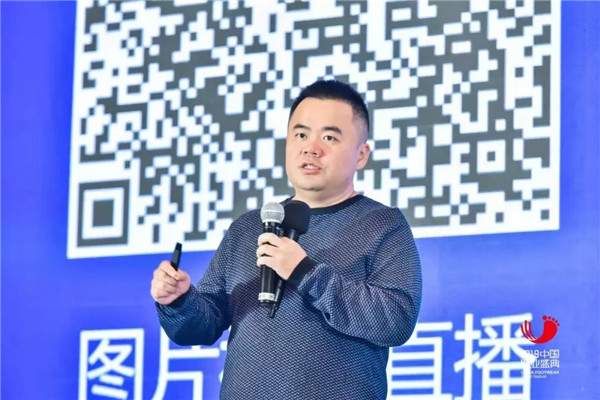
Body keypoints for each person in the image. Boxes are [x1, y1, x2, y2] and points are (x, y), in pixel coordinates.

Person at [151, 80, 422, 399]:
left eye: (329, 137)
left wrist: (304, 272)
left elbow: (395, 320)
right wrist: (179, 299)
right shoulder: (249, 228)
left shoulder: (382, 224)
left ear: (361, 155)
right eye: (301, 135)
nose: (311, 148)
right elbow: (200, 326)